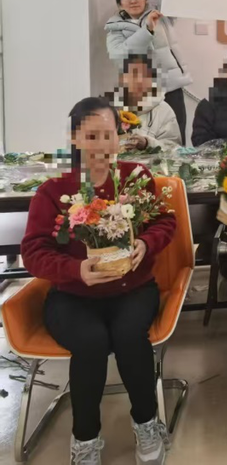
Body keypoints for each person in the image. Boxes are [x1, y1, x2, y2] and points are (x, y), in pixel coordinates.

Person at [20, 97, 176, 465]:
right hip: (73, 294)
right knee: (90, 342)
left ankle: (146, 422)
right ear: (75, 138)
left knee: (129, 336)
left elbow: (164, 221)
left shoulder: (136, 177)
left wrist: (145, 243)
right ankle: (85, 438)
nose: (102, 145)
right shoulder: (54, 191)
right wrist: (75, 270)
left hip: (132, 288)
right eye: (92, 136)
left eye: (109, 135)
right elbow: (33, 252)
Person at [105, 0, 192, 144]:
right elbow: (120, 56)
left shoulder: (161, 15)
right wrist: (147, 30)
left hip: (170, 85)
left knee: (176, 136)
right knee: (139, 136)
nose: (133, 1)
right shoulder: (115, 28)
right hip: (140, 92)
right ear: (119, 4)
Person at [110, 55, 182, 152]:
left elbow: (174, 149)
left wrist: (147, 143)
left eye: (144, 76)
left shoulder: (164, 111)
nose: (139, 81)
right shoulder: (111, 109)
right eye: (134, 75)